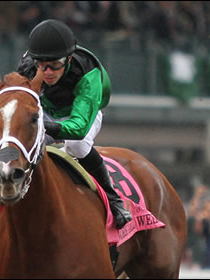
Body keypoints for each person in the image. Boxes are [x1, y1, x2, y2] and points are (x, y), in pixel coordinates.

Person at [16, 19, 131, 229]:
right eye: (41, 65)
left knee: (75, 146)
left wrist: (42, 127)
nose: (47, 71)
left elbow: (78, 128)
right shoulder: (28, 65)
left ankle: (114, 199)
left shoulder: (89, 74)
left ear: (69, 59)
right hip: (47, 111)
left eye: (55, 65)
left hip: (81, 114)